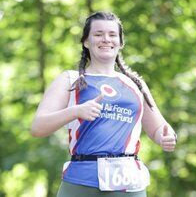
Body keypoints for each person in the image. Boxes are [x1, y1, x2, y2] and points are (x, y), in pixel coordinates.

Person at [31, 11, 177, 197]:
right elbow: (38, 127)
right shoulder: (70, 80)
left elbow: (159, 129)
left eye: (112, 35)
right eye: (98, 34)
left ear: (120, 42)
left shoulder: (135, 84)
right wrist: (76, 111)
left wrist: (167, 138)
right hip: (81, 181)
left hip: (128, 184)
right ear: (86, 41)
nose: (106, 39)